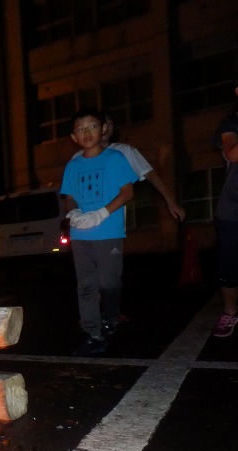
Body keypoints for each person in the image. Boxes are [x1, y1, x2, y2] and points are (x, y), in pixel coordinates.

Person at [61, 107, 139, 356]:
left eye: (92, 126)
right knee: (86, 285)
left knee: (109, 282)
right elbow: (69, 196)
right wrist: (73, 213)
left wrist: (102, 213)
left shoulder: (115, 159)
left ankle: (111, 317)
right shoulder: (72, 166)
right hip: (81, 235)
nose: (86, 132)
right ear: (74, 136)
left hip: (109, 232)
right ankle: (93, 333)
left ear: (103, 129)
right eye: (80, 129)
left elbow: (128, 192)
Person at [73, 112, 186, 222]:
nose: (107, 127)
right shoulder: (77, 158)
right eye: (103, 122)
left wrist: (170, 201)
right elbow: (70, 193)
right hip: (83, 221)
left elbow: (149, 174)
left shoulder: (123, 151)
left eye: (110, 123)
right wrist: (74, 214)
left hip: (111, 221)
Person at [210, 83, 238, 337]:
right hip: (232, 208)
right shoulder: (230, 125)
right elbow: (232, 153)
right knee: (229, 265)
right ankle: (230, 312)